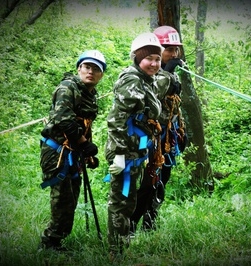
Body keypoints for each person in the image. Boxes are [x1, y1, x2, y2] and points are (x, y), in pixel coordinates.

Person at [39, 50, 106, 251]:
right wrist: (85, 143)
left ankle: (58, 239)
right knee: (62, 198)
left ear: (101, 74)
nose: (90, 72)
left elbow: (84, 124)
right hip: (56, 151)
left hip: (73, 152)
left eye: (96, 69)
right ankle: (49, 243)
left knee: (72, 197)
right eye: (87, 67)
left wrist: (87, 152)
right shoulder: (68, 87)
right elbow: (63, 118)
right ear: (79, 69)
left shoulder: (90, 94)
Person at [105, 32, 164, 261]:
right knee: (121, 199)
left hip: (135, 150)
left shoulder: (145, 80)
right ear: (137, 58)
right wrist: (119, 155)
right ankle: (116, 252)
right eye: (149, 58)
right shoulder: (132, 79)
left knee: (129, 199)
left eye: (157, 59)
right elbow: (117, 119)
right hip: (125, 150)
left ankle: (121, 244)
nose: (154, 63)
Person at [130, 25, 188, 233]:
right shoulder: (149, 73)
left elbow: (172, 105)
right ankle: (130, 224)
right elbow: (151, 93)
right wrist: (168, 72)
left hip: (166, 134)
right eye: (168, 49)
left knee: (163, 177)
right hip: (147, 135)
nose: (173, 53)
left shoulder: (170, 72)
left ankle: (150, 220)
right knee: (148, 180)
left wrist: (180, 129)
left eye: (175, 49)